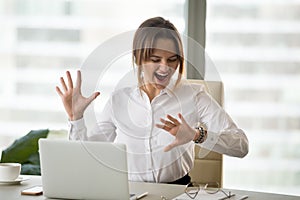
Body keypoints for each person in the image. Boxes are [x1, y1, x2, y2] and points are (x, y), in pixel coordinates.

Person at [56, 17, 248, 185]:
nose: (165, 68)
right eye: (156, 59)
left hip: (177, 192)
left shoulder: (195, 96)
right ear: (138, 59)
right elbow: (87, 157)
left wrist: (196, 135)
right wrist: (76, 118)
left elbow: (241, 145)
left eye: (172, 60)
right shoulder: (119, 100)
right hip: (129, 192)